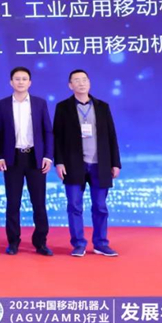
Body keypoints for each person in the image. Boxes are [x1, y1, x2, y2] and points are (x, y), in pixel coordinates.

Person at [53, 69, 121, 257]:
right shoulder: (63, 107)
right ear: (70, 85)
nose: (81, 83)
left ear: (89, 83)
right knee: (74, 206)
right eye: (77, 80)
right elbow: (57, 137)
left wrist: (115, 163)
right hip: (74, 164)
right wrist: (59, 162)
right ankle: (78, 244)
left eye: (84, 80)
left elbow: (111, 136)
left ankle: (101, 243)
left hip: (100, 164)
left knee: (100, 207)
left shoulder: (102, 106)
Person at [0, 67, 54, 256]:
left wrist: (48, 156)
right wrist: (0, 156)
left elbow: (48, 131)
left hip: (35, 159)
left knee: (39, 203)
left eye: (24, 79)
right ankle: (13, 242)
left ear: (30, 82)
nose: (20, 82)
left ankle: (40, 243)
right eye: (17, 79)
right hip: (12, 159)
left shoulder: (39, 103)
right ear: (11, 82)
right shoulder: (3, 104)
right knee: (13, 203)